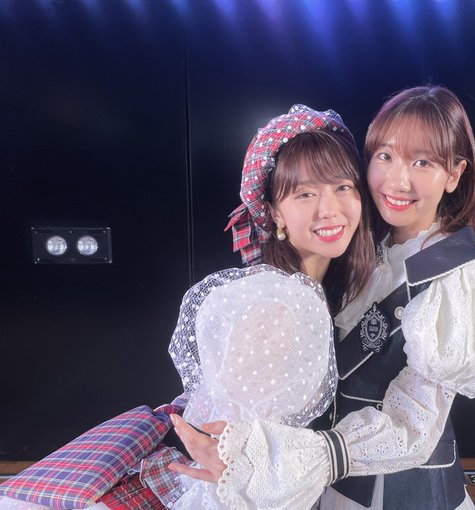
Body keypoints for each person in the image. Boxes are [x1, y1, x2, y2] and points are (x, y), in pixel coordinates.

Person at [0, 104, 375, 510]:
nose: (329, 209)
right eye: (305, 194)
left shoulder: (305, 288)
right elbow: (226, 451)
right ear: (273, 213)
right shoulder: (282, 302)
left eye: (343, 187)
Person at [170, 85, 475, 510]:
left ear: (455, 174)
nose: (398, 180)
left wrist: (281, 460)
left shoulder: (455, 283)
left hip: (401, 494)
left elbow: (413, 429)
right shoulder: (362, 253)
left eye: (422, 162)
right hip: (318, 487)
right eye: (385, 156)